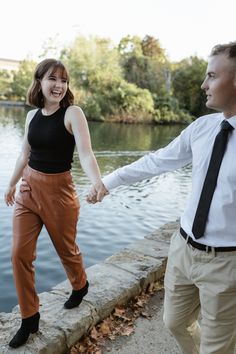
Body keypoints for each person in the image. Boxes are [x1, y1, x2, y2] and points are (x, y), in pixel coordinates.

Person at [87, 41, 236, 354]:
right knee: (175, 323)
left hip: (227, 263)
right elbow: (157, 161)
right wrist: (109, 181)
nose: (203, 84)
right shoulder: (202, 128)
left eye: (211, 75)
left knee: (218, 346)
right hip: (183, 249)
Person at [4, 58, 107, 348]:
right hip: (28, 189)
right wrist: (12, 183)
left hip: (59, 192)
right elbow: (24, 154)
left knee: (66, 251)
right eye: (53, 79)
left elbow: (86, 154)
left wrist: (97, 181)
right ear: (39, 82)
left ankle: (80, 284)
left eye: (64, 80)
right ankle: (29, 317)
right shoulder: (31, 116)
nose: (59, 85)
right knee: (18, 254)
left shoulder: (73, 113)